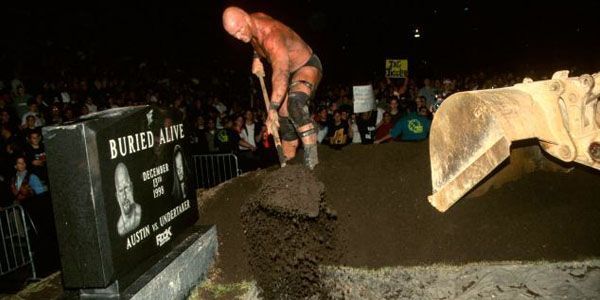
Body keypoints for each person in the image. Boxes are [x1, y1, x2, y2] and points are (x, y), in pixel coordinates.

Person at [222, 6, 323, 169]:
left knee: (295, 105)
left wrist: (272, 107)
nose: (240, 37)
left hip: (305, 65)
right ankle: (288, 167)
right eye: (235, 35)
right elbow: (254, 40)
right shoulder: (253, 21)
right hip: (287, 71)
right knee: (284, 123)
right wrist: (256, 58)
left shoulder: (272, 35)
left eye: (240, 31)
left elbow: (280, 74)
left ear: (245, 18)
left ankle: (313, 165)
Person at [114, 162, 141, 236]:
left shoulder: (140, 211)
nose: (124, 196)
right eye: (120, 191)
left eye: (126, 188)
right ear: (117, 196)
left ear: (131, 188)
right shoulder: (120, 228)